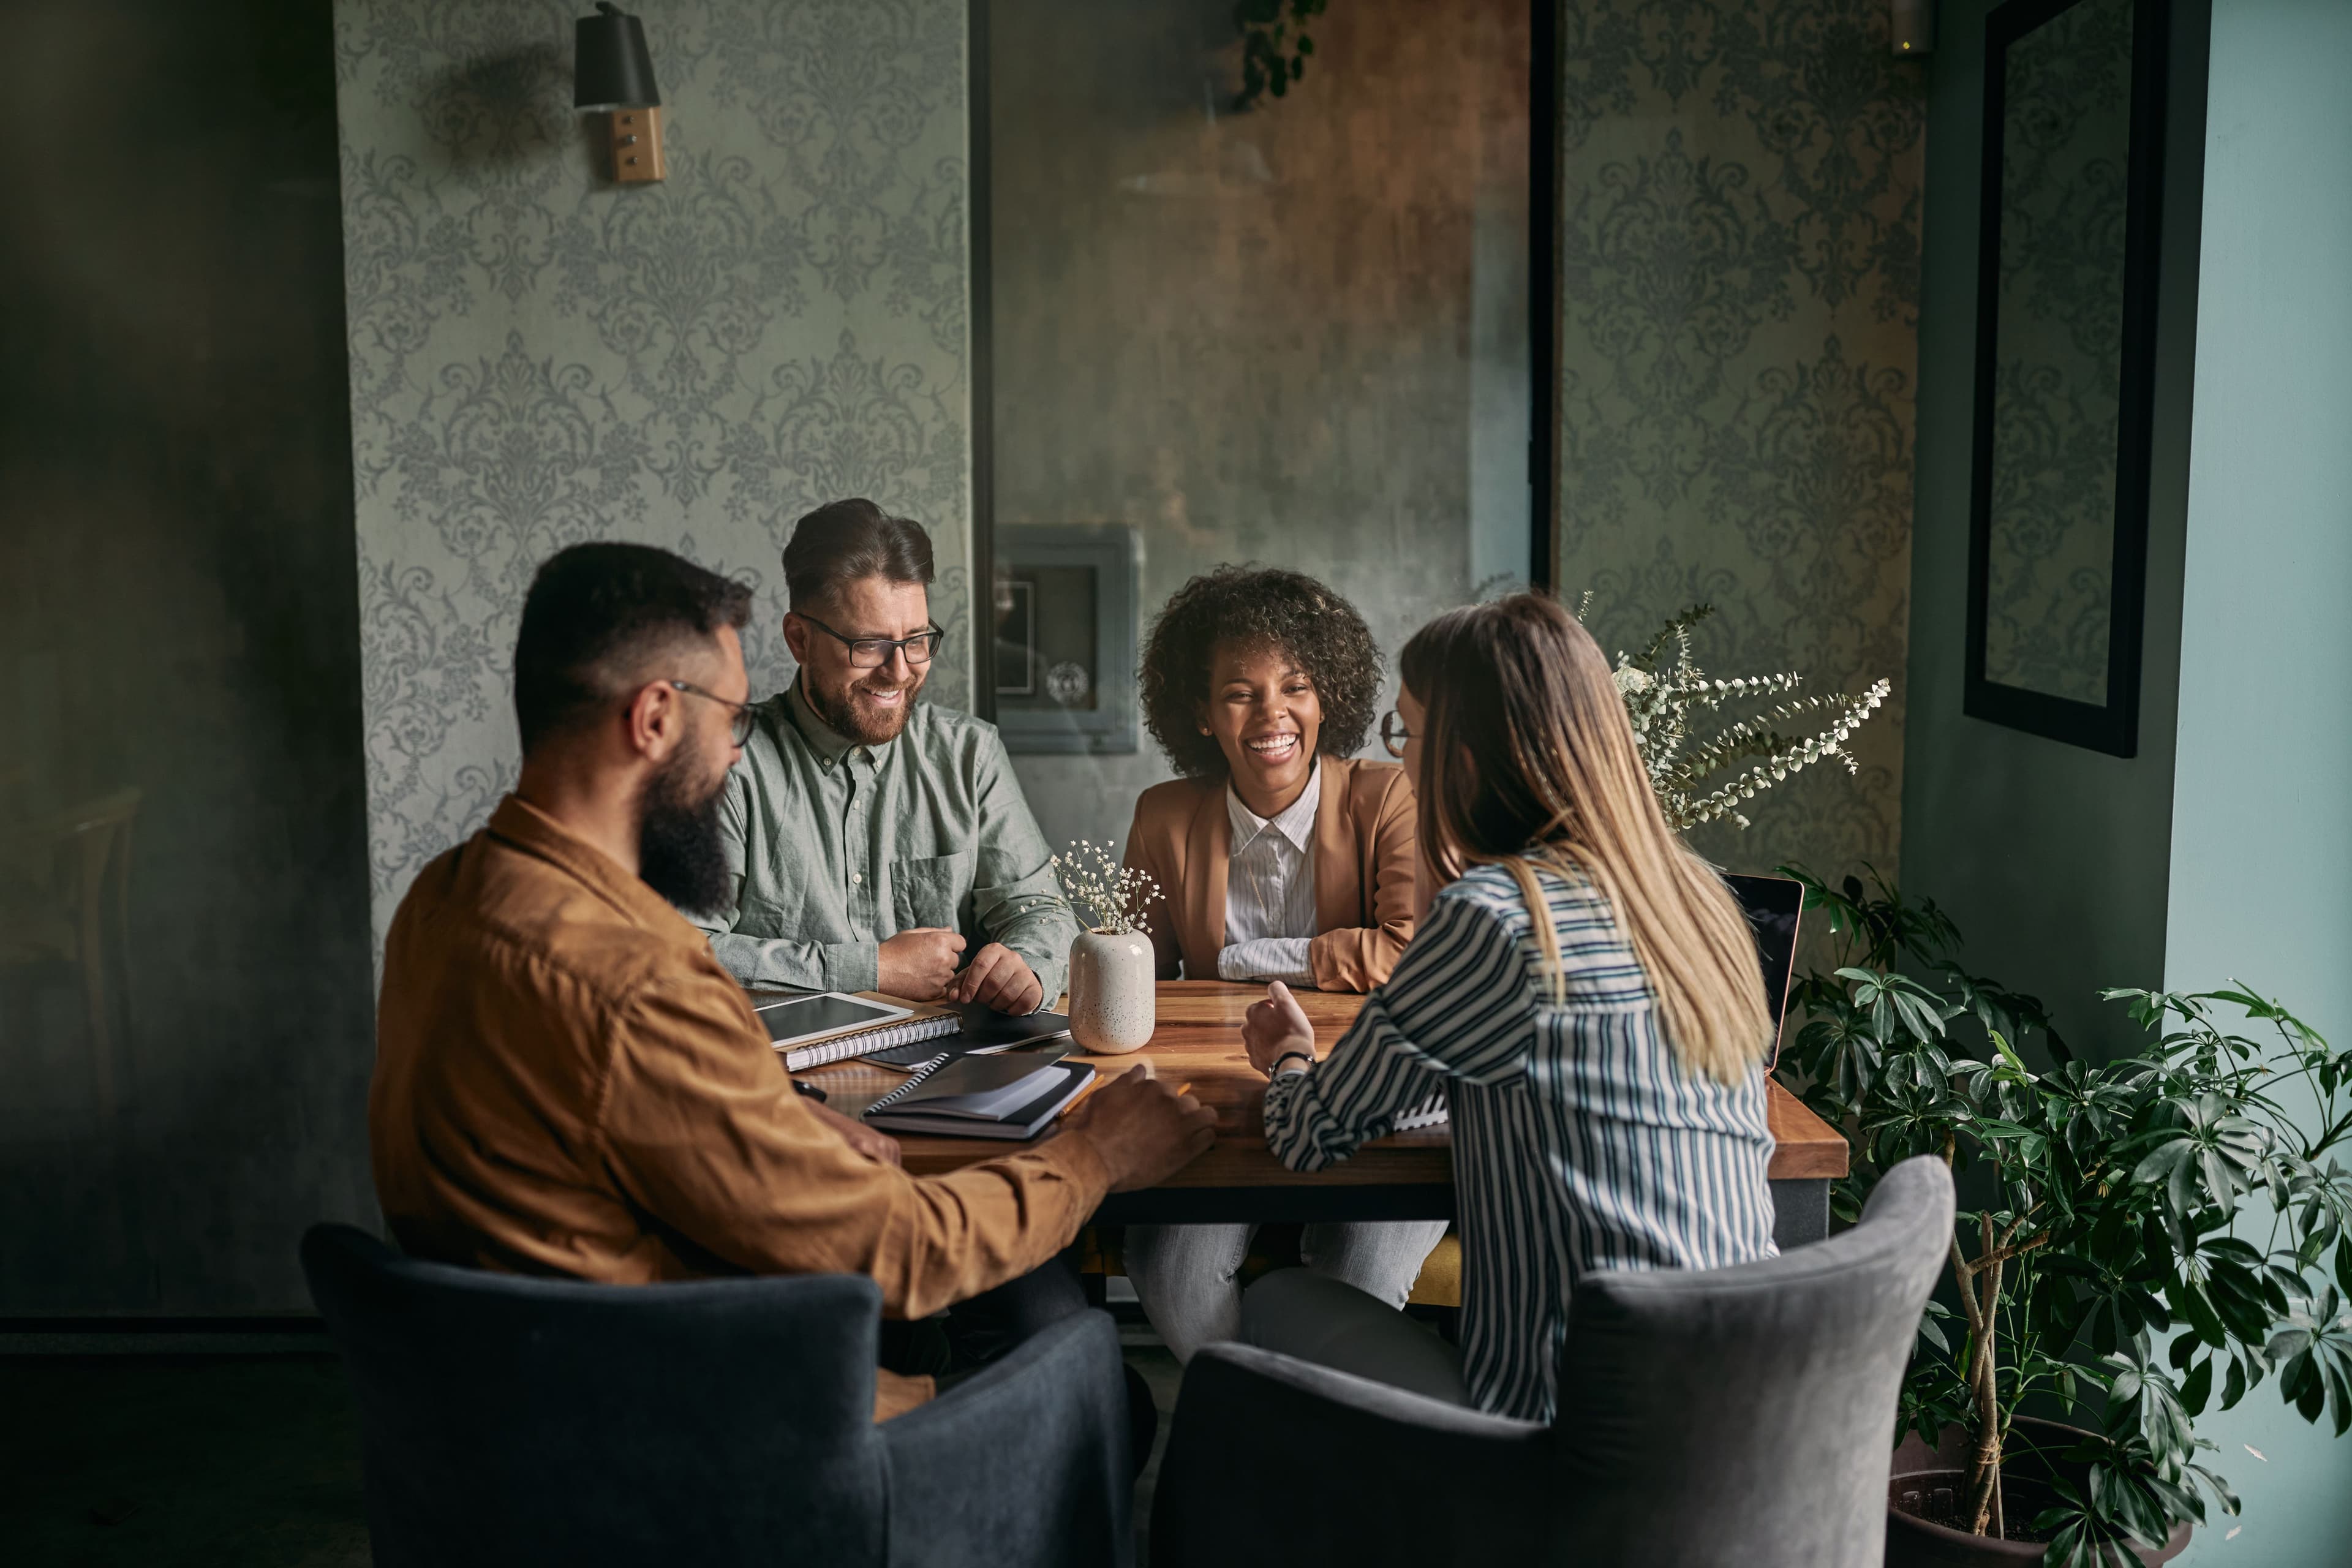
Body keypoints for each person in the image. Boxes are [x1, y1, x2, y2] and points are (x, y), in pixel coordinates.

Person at [370, 541, 1216, 1428]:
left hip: (530, 1414)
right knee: (1108, 1398)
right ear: (655, 718)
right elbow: (901, 1252)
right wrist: (1099, 1157)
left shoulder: (443, 897)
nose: (740, 756)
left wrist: (758, 1113)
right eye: (732, 721)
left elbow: (597, 1123)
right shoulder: (634, 982)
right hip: (723, 1442)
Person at [1236, 592, 1781, 1421]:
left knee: (1276, 1306)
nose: (1401, 761)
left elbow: (1307, 1135)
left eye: (1408, 734)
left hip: (1567, 1429)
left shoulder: (1497, 916)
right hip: (1740, 1416)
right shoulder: (1695, 899)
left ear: (1461, 760)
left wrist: (1288, 1053)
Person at [1115, 566, 1446, 1362]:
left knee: (1352, 1276)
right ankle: (1268, 1432)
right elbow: (1138, 990)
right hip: (1225, 1110)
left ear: (1326, 694)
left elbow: (1407, 955)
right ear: (1200, 712)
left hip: (1377, 1107)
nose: (1273, 714)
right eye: (1240, 692)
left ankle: (1302, 1446)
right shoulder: (1163, 815)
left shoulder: (1387, 796)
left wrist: (1243, 960)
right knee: (1168, 1268)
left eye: (1295, 685)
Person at [689, 499, 1080, 1014]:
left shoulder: (970, 756)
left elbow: (1042, 910)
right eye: (869, 645)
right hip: (779, 1082)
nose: (899, 672)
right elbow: (682, 951)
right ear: (799, 639)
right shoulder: (726, 761)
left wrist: (1028, 967)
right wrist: (871, 969)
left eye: (916, 640)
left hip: (950, 1073)